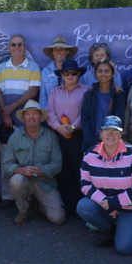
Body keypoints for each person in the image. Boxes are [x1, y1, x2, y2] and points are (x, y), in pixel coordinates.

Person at [77, 116, 132, 254]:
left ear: (121, 134)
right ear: (100, 133)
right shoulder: (90, 154)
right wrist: (104, 202)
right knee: (84, 206)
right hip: (109, 204)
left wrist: (114, 202)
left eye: (115, 131)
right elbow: (85, 184)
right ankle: (110, 230)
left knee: (125, 248)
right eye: (107, 130)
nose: (111, 135)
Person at [0, 34, 41, 209]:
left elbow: (32, 92)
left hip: (25, 122)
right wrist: (5, 115)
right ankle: (7, 195)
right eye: (13, 44)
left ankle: (27, 196)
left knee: (27, 159)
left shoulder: (33, 67)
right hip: (4, 123)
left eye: (20, 44)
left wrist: (10, 109)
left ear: (25, 47)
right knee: (7, 160)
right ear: (9, 48)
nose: (17, 47)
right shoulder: (0, 67)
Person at [1, 100, 64, 226]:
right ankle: (24, 211)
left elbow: (58, 164)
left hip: (46, 183)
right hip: (25, 181)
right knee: (16, 180)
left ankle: (39, 204)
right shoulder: (14, 138)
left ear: (40, 117)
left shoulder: (51, 136)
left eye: (35, 114)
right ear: (23, 118)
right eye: (28, 114)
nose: (31, 117)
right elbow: (6, 164)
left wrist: (39, 172)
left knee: (58, 219)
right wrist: (21, 170)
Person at [46, 59, 90, 217]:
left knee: (79, 170)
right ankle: (66, 205)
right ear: (62, 74)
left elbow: (86, 112)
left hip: (79, 135)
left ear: (79, 73)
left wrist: (72, 127)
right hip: (59, 136)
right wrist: (59, 127)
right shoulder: (54, 92)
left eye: (73, 73)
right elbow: (50, 112)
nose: (70, 75)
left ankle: (80, 206)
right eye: (66, 73)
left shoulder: (87, 90)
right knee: (63, 170)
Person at [80, 58, 127, 152]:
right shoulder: (90, 94)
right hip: (91, 144)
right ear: (95, 74)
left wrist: (106, 142)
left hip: (111, 143)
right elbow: (85, 120)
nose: (103, 74)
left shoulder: (119, 95)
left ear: (113, 73)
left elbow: (118, 121)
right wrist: (94, 141)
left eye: (107, 71)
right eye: (100, 71)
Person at [39, 35, 79, 109]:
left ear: (67, 51)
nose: (58, 52)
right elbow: (43, 96)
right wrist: (46, 116)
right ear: (52, 52)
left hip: (70, 111)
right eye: (55, 49)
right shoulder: (46, 71)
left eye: (61, 49)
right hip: (50, 112)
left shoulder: (74, 71)